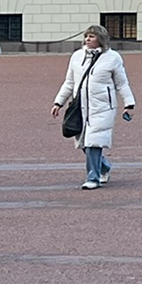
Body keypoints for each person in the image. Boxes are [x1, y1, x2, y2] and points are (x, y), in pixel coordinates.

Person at [49, 24, 136, 190]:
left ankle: (93, 178)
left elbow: (122, 83)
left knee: (93, 142)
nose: (87, 39)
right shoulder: (76, 56)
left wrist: (129, 103)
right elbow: (69, 82)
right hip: (81, 105)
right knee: (83, 142)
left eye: (92, 36)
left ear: (101, 39)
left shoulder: (113, 58)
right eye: (86, 36)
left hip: (103, 106)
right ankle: (103, 166)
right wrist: (58, 102)